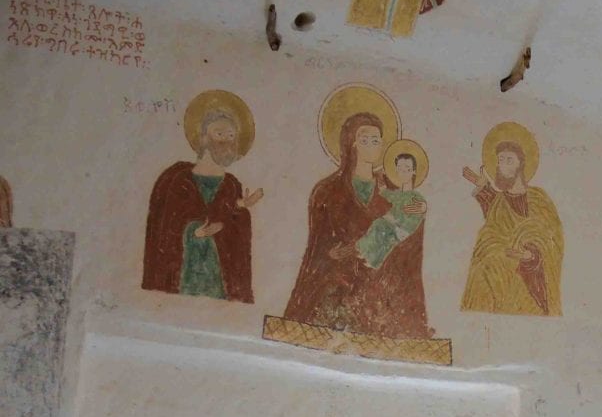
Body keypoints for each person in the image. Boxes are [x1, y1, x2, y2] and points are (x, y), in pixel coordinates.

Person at [284, 111, 429, 338]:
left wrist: (419, 212)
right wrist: (332, 254)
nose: (372, 145)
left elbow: (407, 235)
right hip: (339, 284)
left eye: (376, 140)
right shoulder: (328, 191)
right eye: (365, 140)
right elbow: (316, 250)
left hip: (379, 284)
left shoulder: (392, 190)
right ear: (351, 145)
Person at [142, 105, 262, 302]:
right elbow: (166, 227)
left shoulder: (232, 185)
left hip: (218, 280)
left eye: (231, 136)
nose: (226, 140)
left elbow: (234, 233)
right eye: (219, 133)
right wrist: (194, 232)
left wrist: (239, 207)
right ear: (204, 138)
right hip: (184, 275)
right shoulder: (178, 179)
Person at [461, 131, 563, 317]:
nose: (502, 166)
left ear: (521, 163)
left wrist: (531, 255)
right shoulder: (499, 202)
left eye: (509, 160)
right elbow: (497, 223)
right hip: (501, 282)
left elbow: (552, 240)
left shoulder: (539, 199)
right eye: (500, 161)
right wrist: (483, 186)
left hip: (531, 286)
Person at [354, 149, 427, 270]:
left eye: (407, 169)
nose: (403, 173)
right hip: (394, 225)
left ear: (413, 171)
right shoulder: (398, 193)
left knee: (380, 226)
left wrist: (423, 208)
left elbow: (418, 212)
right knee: (380, 229)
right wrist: (380, 177)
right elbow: (385, 192)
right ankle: (367, 255)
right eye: (400, 169)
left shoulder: (416, 197)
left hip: (403, 228)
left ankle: (365, 252)